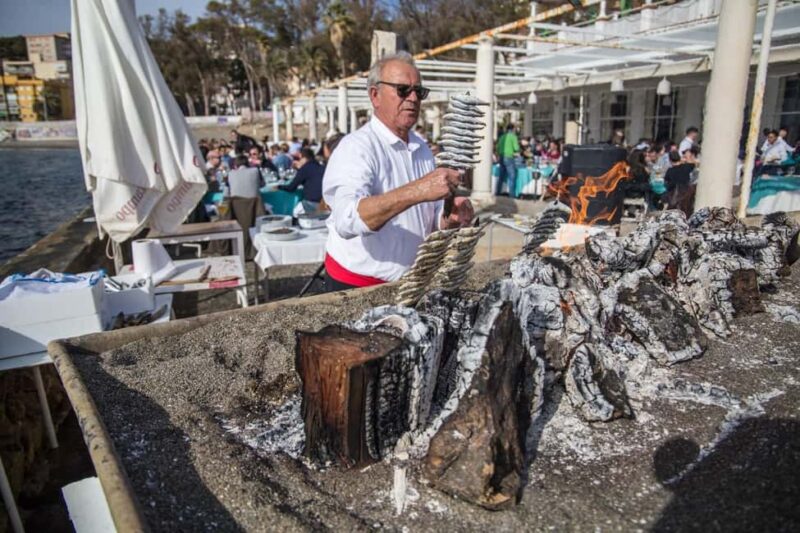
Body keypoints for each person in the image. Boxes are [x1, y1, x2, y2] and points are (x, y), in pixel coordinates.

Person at [322, 52, 472, 291]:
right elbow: (346, 219)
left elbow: (428, 220)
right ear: (375, 95)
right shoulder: (356, 147)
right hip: (358, 286)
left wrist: (448, 218)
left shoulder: (421, 147)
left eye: (419, 92)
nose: (413, 98)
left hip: (409, 284)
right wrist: (418, 190)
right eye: (403, 90)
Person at [279, 148, 324, 214]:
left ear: (302, 157)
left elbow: (291, 187)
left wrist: (279, 187)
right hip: (323, 202)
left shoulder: (305, 168)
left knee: (296, 212)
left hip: (311, 203)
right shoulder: (321, 167)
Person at [664, 146, 699, 215]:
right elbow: (695, 163)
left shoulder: (670, 171)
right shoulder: (687, 167)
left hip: (674, 195)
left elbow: (666, 182)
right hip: (687, 193)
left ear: (670, 160)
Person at [496, 124, 520, 197]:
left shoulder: (502, 137)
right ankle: (512, 195)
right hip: (509, 157)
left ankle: (498, 192)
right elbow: (516, 148)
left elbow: (497, 147)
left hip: (501, 156)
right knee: (512, 176)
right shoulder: (513, 136)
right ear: (513, 129)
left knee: (501, 176)